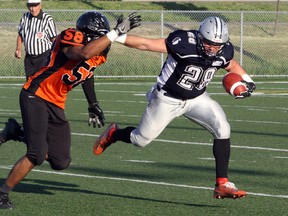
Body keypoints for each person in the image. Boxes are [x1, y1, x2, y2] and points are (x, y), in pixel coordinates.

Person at [93, 16, 256, 199]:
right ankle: (114, 134)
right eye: (209, 43)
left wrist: (248, 82)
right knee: (140, 140)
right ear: (200, 37)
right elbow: (146, 44)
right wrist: (117, 36)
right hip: (167, 99)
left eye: (217, 45)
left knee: (223, 128)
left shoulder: (224, 50)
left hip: (197, 98)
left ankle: (222, 184)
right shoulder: (185, 42)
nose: (212, 48)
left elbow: (231, 65)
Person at [0, 11, 141, 209]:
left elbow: (86, 71)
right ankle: (2, 193)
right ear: (87, 33)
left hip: (56, 102)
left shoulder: (98, 51)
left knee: (60, 161)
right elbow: (83, 54)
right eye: (98, 35)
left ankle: (18, 132)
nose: (103, 39)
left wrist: (93, 104)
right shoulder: (70, 36)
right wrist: (115, 32)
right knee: (37, 154)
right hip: (36, 95)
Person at [15, 0, 57, 80]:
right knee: (30, 83)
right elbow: (20, 35)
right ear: (27, 6)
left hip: (44, 57)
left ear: (40, 5)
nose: (33, 9)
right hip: (29, 58)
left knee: (41, 82)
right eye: (31, 6)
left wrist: (56, 55)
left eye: (35, 6)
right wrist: (18, 49)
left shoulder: (47, 19)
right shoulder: (25, 17)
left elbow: (54, 39)